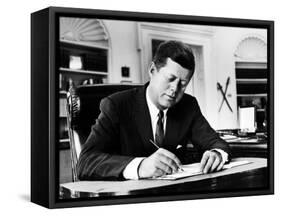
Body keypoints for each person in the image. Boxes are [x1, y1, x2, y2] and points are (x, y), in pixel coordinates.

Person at [77, 40, 231, 180]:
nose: (174, 89)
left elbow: (217, 143)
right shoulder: (116, 105)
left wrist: (217, 154)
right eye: (170, 79)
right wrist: (140, 166)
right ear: (152, 70)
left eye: (183, 84)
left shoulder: (188, 105)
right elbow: (85, 162)